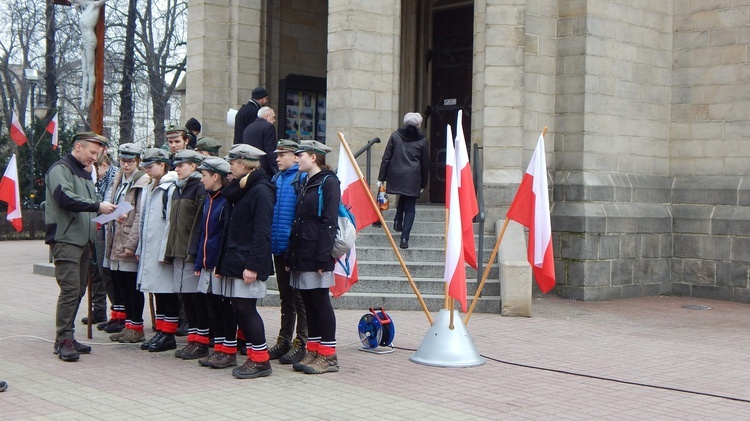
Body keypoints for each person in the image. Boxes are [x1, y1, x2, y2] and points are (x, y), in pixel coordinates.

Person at [45, 131, 115, 361]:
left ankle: (68, 336)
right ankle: (63, 339)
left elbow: (86, 209)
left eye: (97, 154)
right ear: (78, 147)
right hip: (66, 240)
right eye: (91, 152)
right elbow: (65, 199)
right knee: (70, 290)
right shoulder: (60, 169)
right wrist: (98, 206)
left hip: (83, 241)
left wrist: (109, 214)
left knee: (77, 291)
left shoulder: (84, 173)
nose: (94, 158)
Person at [215, 144, 275, 379]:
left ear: (242, 164)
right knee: (239, 307)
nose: (229, 167)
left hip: (248, 261)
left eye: (232, 163)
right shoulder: (241, 189)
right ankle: (254, 356)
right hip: (236, 258)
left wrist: (252, 265)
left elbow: (262, 232)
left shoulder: (261, 190)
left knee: (245, 308)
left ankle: (261, 360)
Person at [285, 140, 340, 374]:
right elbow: (298, 221)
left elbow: (329, 222)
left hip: (316, 252)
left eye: (301, 155)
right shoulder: (306, 182)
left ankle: (328, 356)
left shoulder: (329, 182)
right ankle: (314, 350)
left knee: (320, 302)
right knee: (308, 302)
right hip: (302, 251)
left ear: (314, 158)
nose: (297, 159)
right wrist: (290, 254)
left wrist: (323, 258)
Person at [165, 149, 210, 360]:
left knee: (195, 299)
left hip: (191, 253)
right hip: (178, 251)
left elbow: (200, 225)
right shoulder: (178, 188)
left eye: (181, 165)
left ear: (193, 166)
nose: (177, 168)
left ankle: (200, 341)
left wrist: (194, 252)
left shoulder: (199, 188)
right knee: (186, 298)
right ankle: (193, 339)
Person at [194, 157, 237, 369]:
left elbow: (223, 236)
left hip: (219, 264)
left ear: (215, 176)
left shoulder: (225, 200)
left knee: (223, 307)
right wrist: (197, 261)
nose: (201, 180)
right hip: (207, 262)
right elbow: (204, 233)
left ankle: (228, 350)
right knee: (212, 305)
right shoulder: (209, 199)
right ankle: (218, 348)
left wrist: (220, 264)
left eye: (204, 176)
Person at [105, 144, 150, 344]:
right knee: (120, 283)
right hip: (116, 234)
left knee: (131, 286)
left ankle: (136, 325)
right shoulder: (119, 179)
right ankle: (128, 325)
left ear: (137, 161)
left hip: (128, 236)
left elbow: (140, 215)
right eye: (123, 161)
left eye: (130, 161)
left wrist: (132, 244)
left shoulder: (141, 181)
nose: (125, 165)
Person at [136, 148, 180, 352]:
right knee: (158, 291)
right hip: (150, 247)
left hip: (161, 249)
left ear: (162, 165)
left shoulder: (169, 188)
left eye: (150, 166)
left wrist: (165, 251)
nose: (147, 170)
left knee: (167, 292)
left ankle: (168, 333)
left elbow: (170, 222)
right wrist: (140, 247)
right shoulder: (151, 186)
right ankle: (161, 330)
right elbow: (144, 221)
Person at [268, 139, 308, 364]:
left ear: (295, 156)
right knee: (285, 297)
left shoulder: (300, 178)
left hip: (294, 248)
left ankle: (301, 342)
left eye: (282, 154)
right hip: (278, 246)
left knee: (299, 297)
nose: (277, 158)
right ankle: (284, 340)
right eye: (277, 154)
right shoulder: (277, 178)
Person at [377, 112, 430, 249]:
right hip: (413, 176)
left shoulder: (395, 136)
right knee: (410, 206)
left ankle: (398, 221)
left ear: (404, 123)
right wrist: (424, 183)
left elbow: (386, 157)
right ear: (419, 125)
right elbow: (425, 164)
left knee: (402, 194)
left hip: (396, 173)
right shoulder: (422, 141)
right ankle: (404, 238)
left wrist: (381, 178)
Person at [83, 152, 114, 327]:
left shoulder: (112, 179)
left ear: (102, 166)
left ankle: (116, 312)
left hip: (107, 230)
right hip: (95, 230)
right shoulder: (97, 181)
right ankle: (99, 308)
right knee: (95, 272)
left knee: (106, 273)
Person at [71, 0, 106, 109]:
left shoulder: (94, 6)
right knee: (84, 70)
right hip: (84, 40)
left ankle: (90, 96)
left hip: (90, 39)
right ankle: (83, 98)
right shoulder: (86, 10)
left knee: (90, 70)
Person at [241, 107, 278, 176]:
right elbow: (270, 150)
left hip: (249, 167)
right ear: (267, 116)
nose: (274, 120)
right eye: (273, 117)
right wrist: (275, 169)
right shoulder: (269, 127)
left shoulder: (248, 128)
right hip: (264, 169)